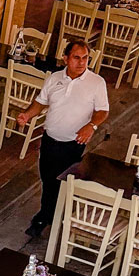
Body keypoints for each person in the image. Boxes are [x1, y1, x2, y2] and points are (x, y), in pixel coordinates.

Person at [17, 40, 110, 238]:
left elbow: (103, 111)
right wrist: (27, 115)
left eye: (85, 58)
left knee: (62, 182)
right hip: (50, 140)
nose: (81, 62)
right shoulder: (54, 78)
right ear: (66, 58)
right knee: (47, 179)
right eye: (76, 58)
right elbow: (40, 102)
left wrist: (91, 126)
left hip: (73, 144)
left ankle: (47, 217)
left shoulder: (96, 83)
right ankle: (49, 214)